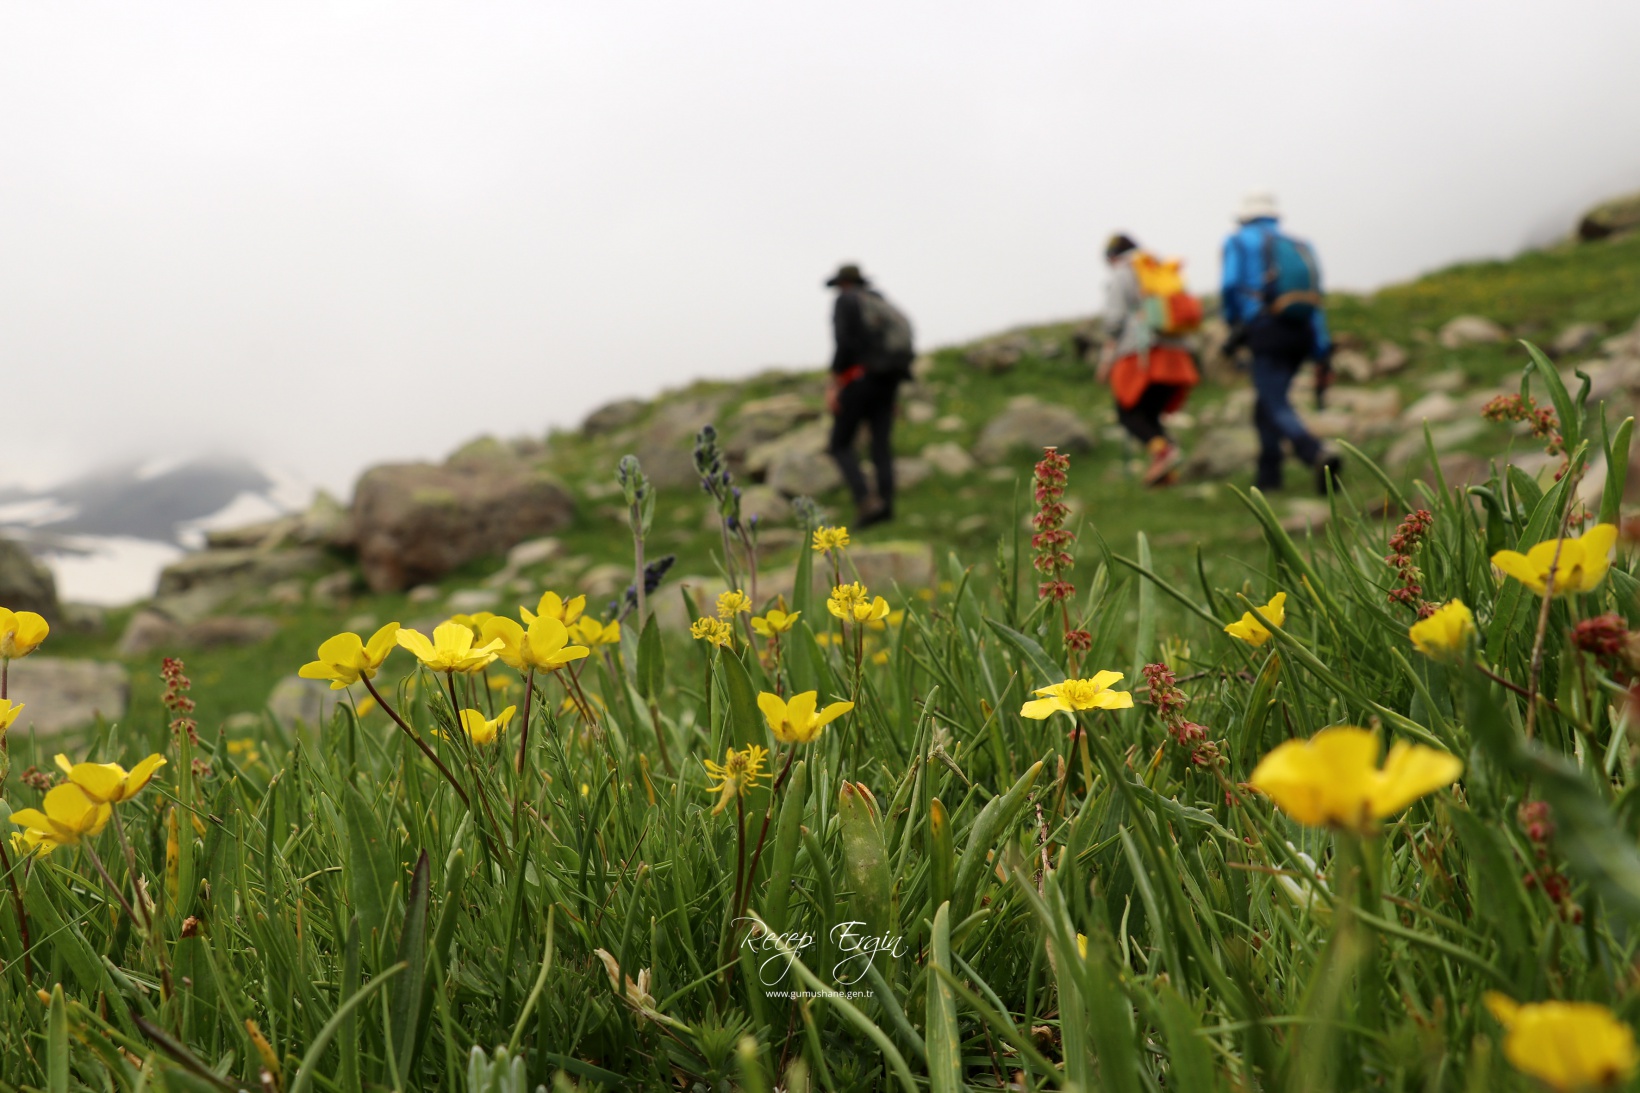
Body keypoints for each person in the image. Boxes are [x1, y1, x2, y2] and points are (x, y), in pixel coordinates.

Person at [1221, 192, 1340, 493]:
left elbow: (1231, 285)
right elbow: (1316, 300)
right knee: (1266, 404)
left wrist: (1234, 325)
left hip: (1265, 328)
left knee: (1274, 402)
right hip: (1301, 331)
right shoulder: (1300, 245)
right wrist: (1321, 348)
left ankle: (1315, 454)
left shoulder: (1239, 241)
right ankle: (1269, 477)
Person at [1097, 233, 1201, 486]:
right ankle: (1166, 472)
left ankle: (1165, 451)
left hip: (1141, 352)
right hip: (1177, 351)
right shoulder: (1159, 268)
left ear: (1112, 257)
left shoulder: (1123, 271)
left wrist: (1107, 357)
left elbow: (1114, 320)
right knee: (1150, 413)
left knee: (1127, 411)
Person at [825, 263, 913, 527]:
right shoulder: (877, 300)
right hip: (888, 380)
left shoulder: (845, 301)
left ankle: (866, 500)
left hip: (858, 379)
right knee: (880, 445)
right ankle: (885, 507)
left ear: (841, 283)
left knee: (839, 444)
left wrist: (835, 381)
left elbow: (844, 343)